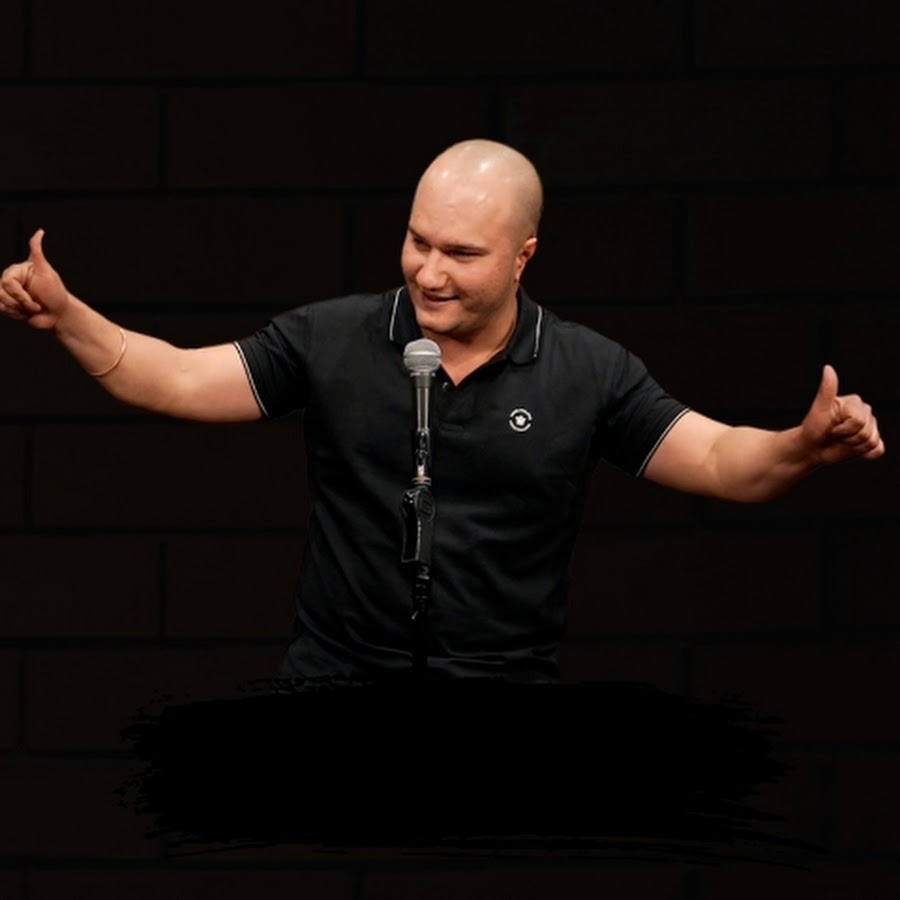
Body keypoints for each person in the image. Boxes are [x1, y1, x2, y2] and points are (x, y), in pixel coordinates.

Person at [0, 139, 885, 684]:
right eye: (418, 242)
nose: (429, 272)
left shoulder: (588, 370)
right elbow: (177, 380)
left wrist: (803, 445)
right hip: (333, 681)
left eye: (461, 253)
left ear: (523, 256)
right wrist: (68, 316)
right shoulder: (332, 338)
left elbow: (721, 460)